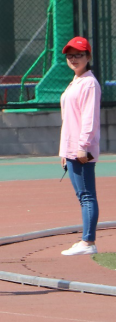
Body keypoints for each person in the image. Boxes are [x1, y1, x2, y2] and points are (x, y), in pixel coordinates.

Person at [58, 36, 101, 256]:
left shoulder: (89, 83)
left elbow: (89, 118)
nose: (74, 59)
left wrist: (82, 146)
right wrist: (65, 151)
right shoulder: (76, 81)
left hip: (82, 149)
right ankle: (86, 240)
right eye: (70, 55)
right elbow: (68, 119)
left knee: (87, 195)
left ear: (88, 57)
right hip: (72, 148)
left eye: (79, 55)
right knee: (82, 195)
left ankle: (88, 242)